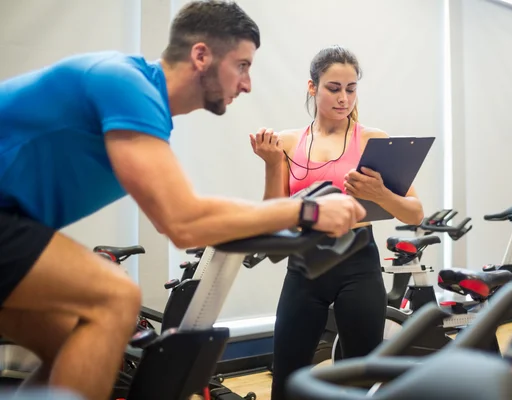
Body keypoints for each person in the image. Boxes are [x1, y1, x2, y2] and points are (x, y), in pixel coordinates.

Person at [0, 2, 366, 400]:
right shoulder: (126, 85)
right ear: (201, 55)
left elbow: (187, 208)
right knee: (115, 297)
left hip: (16, 221)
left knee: (66, 347)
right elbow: (183, 221)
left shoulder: (144, 106)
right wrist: (307, 209)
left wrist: (282, 214)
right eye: (242, 65)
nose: (247, 84)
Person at [249, 45, 425, 399]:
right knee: (287, 377)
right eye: (333, 88)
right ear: (312, 87)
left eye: (351, 88)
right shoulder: (287, 141)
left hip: (358, 262)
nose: (343, 98)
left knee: (360, 377)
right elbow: (274, 216)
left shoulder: (372, 139)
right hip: (306, 263)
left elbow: (415, 212)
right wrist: (271, 164)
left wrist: (381, 195)